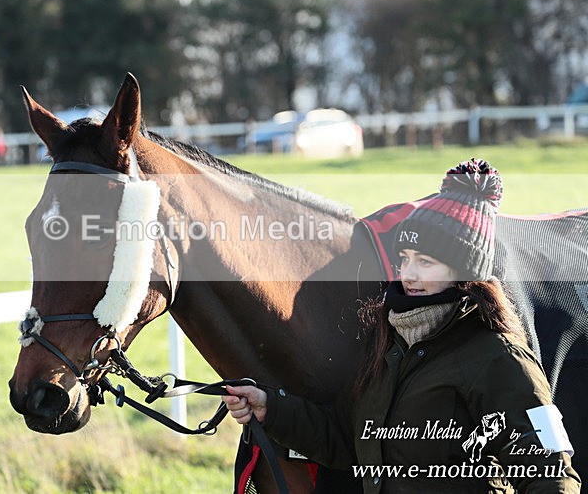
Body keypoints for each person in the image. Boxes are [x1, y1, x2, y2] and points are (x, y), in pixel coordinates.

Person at [223, 159, 581, 492]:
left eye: (426, 262)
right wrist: (271, 408)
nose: (408, 274)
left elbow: (553, 474)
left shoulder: (499, 359)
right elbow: (350, 441)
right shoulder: (391, 343)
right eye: (405, 259)